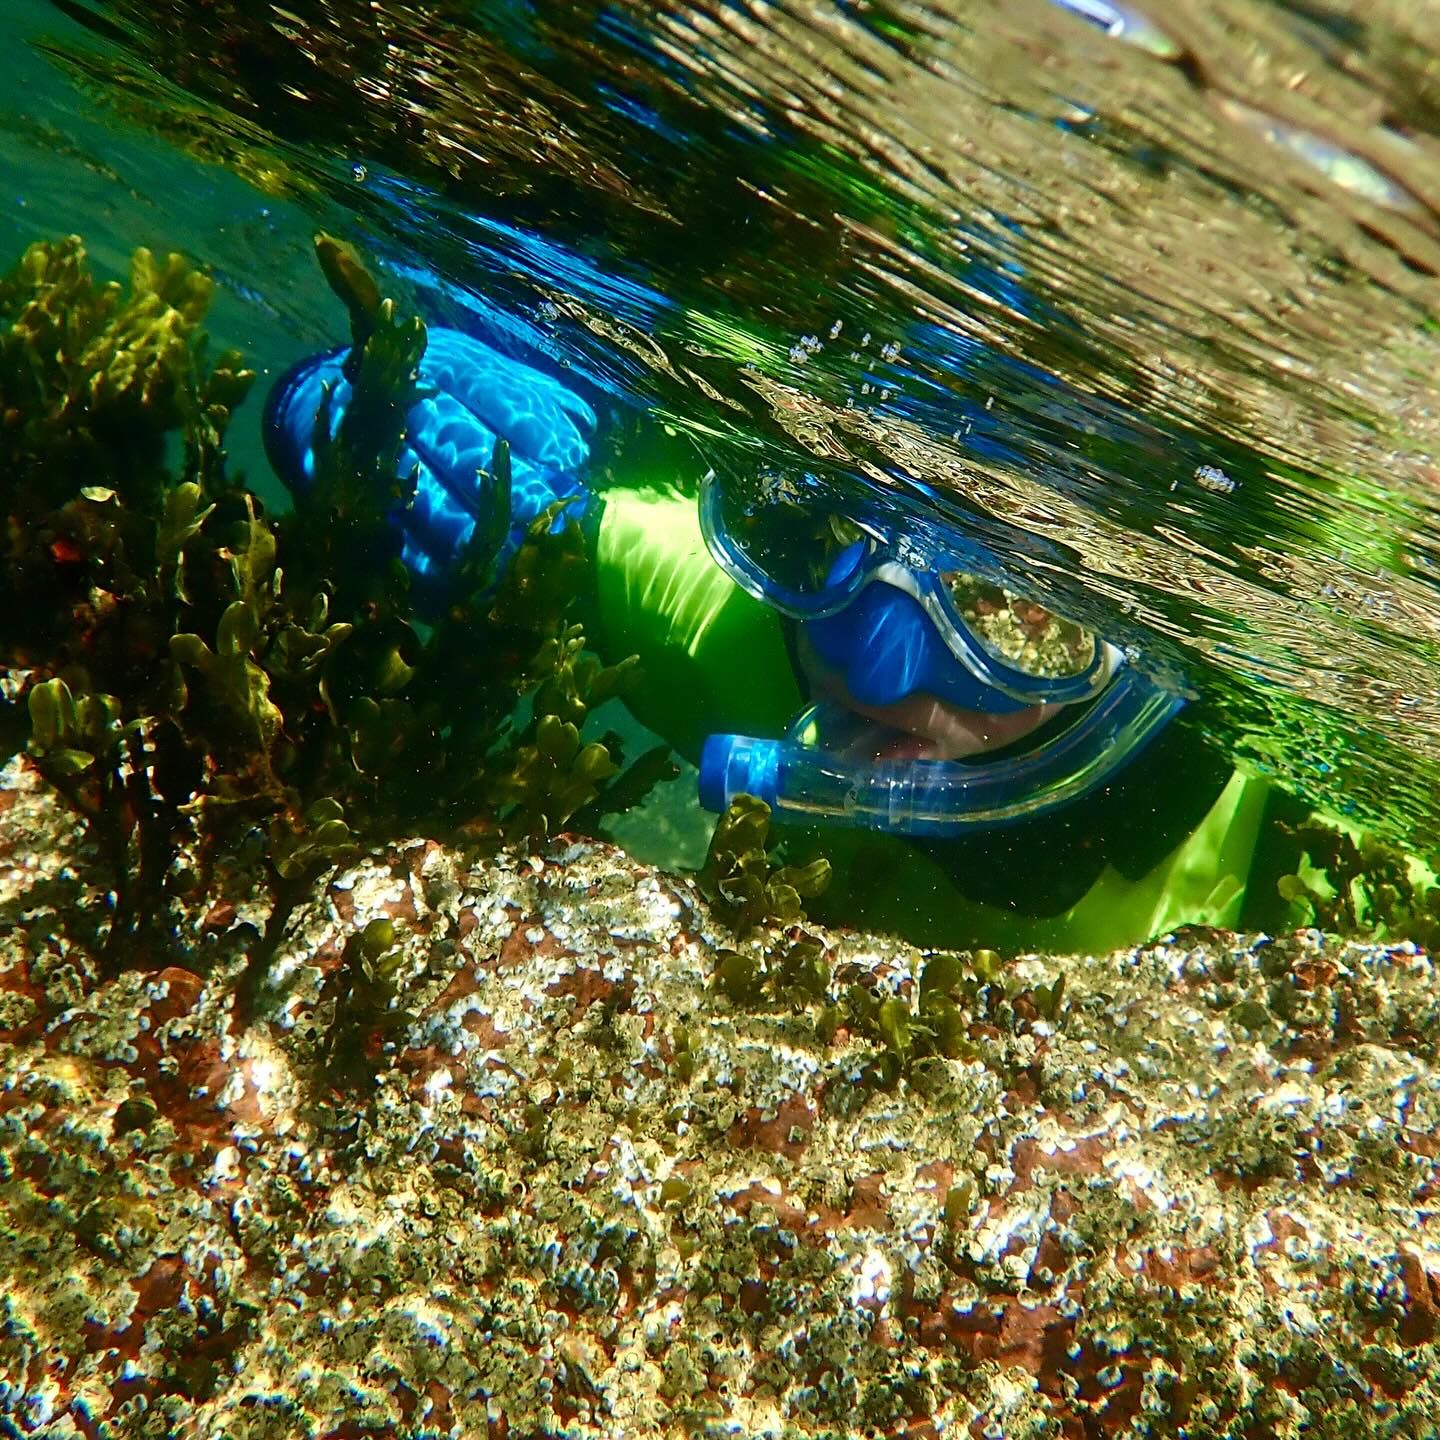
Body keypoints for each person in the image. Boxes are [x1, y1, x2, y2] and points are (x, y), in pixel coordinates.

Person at [265, 325, 1277, 954]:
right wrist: (355, 410)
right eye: (822, 545)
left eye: (1011, 616)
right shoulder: (719, 624)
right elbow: (371, 412)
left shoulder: (1298, 786)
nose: (870, 665)